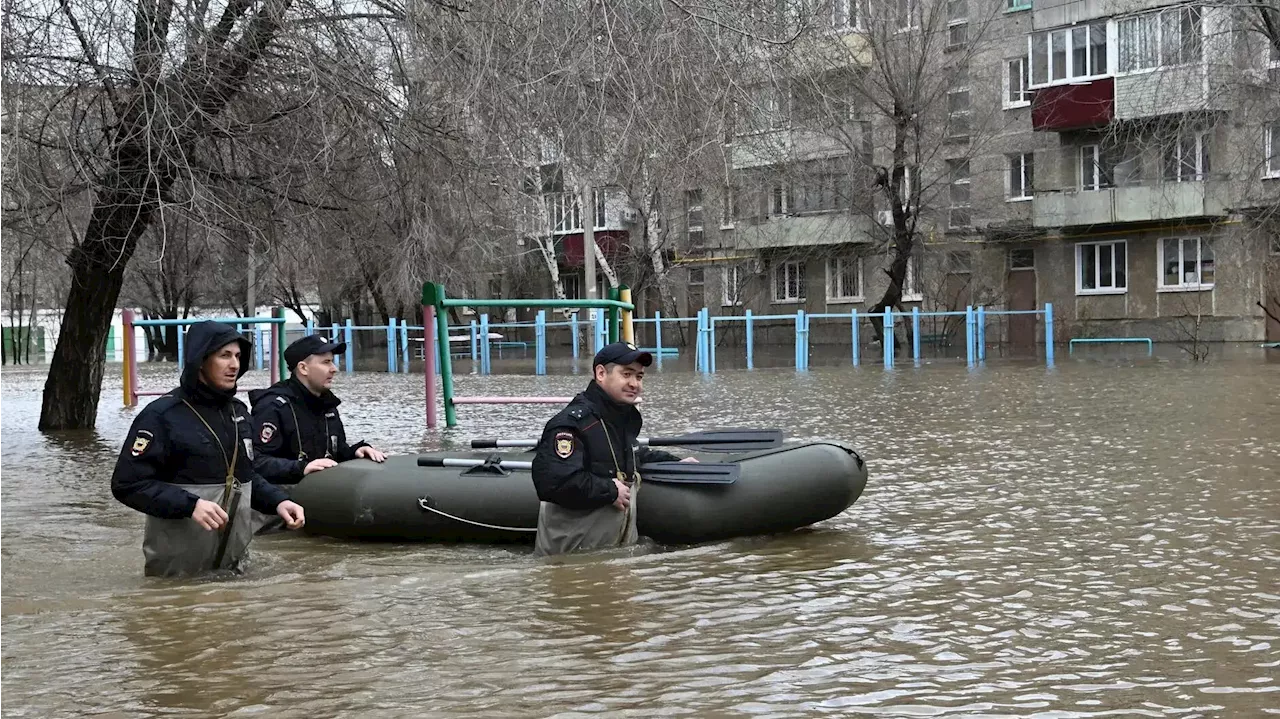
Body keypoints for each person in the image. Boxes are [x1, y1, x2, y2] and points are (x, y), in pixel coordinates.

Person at [111, 321, 306, 578]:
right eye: (224, 355)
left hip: (233, 570)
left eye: (238, 356)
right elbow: (127, 485)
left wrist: (279, 501)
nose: (234, 365)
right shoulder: (161, 415)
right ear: (200, 360)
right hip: (176, 580)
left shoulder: (239, 413)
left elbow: (245, 477)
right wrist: (190, 505)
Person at [530, 341, 696, 557]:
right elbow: (552, 482)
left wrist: (674, 463)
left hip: (612, 556)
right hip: (571, 561)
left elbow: (634, 456)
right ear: (601, 373)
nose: (634, 383)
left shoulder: (616, 420)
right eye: (626, 374)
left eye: (639, 377)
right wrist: (609, 490)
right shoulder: (572, 424)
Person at [248, 334, 385, 505]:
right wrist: (301, 468)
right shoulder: (273, 406)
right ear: (303, 368)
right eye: (326, 362)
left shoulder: (327, 404)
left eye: (332, 362)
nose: (334, 369)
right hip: (279, 505)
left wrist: (355, 452)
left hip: (322, 498)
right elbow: (256, 462)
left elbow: (335, 454)